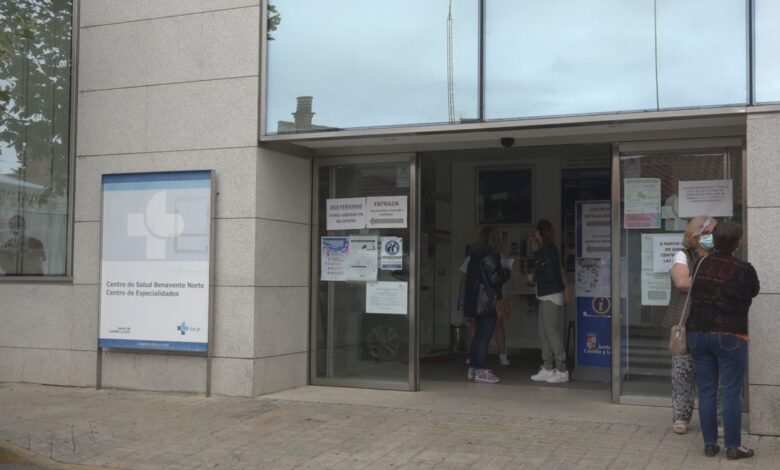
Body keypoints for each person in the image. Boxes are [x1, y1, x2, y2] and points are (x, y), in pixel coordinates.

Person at [687, 222, 759, 460]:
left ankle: (709, 444)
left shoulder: (700, 264)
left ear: (714, 241)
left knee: (706, 390)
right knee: (730, 391)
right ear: (738, 243)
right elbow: (754, 291)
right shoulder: (743, 269)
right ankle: (733, 446)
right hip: (730, 335)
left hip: (698, 334)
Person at [663, 216, 716, 435]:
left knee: (712, 374)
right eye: (709, 233)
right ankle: (681, 417)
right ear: (696, 235)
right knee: (683, 372)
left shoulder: (717, 256)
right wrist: (717, 281)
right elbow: (682, 282)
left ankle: (713, 418)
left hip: (712, 323)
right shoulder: (683, 255)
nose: (713, 237)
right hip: (686, 323)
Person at [463, 226, 510, 384]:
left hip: (474, 300)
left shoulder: (473, 255)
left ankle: (473, 368)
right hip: (486, 301)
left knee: (477, 336)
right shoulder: (491, 255)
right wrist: (507, 271)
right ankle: (480, 370)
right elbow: (496, 278)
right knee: (484, 336)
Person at [528, 219, 570, 384]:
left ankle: (562, 369)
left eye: (536, 232)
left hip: (551, 296)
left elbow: (548, 273)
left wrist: (534, 277)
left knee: (551, 333)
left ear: (540, 233)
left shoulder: (547, 251)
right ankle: (547, 367)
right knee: (543, 333)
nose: (534, 235)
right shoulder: (547, 250)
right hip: (546, 295)